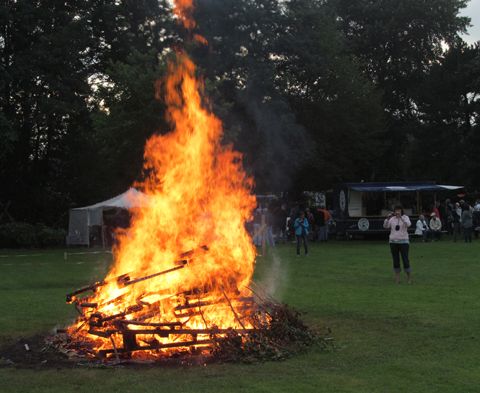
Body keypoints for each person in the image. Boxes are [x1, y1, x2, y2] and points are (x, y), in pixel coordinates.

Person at [383, 206, 412, 284]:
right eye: (396, 210)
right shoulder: (392, 219)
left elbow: (408, 225)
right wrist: (387, 219)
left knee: (405, 260)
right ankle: (397, 279)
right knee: (395, 261)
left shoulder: (405, 217)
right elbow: (385, 226)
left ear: (401, 211)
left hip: (404, 242)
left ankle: (409, 278)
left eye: (399, 210)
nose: (397, 212)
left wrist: (401, 218)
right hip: (393, 242)